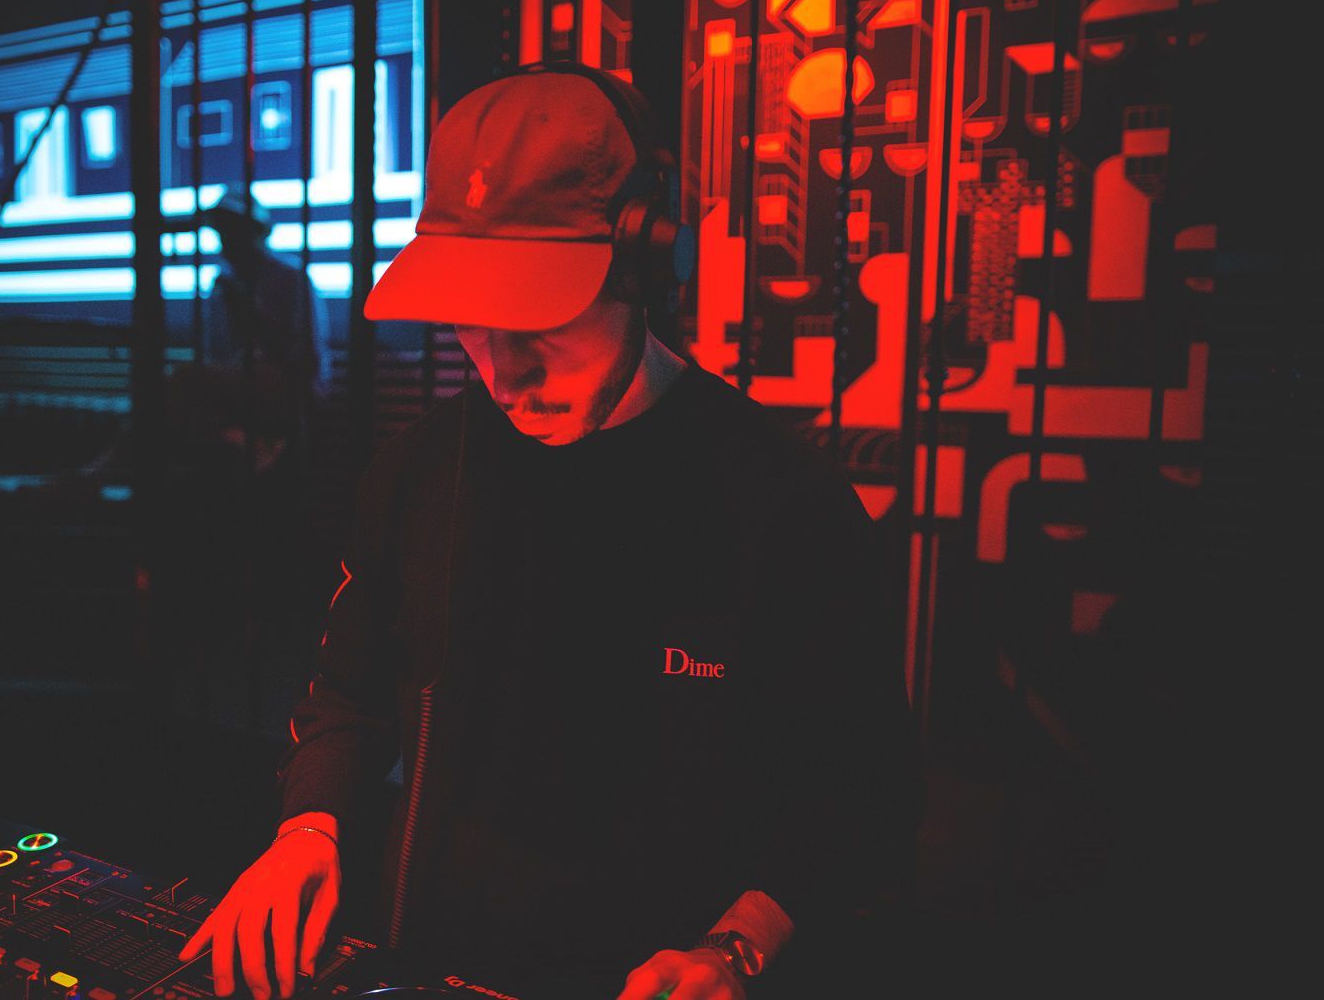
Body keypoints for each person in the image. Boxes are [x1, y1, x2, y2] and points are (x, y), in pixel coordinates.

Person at [179, 65, 917, 999]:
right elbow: (347, 693)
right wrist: (309, 828)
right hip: (436, 960)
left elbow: (858, 788)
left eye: (541, 323)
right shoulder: (414, 472)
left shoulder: (786, 502)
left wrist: (736, 947)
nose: (503, 373)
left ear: (643, 265)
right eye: (471, 328)